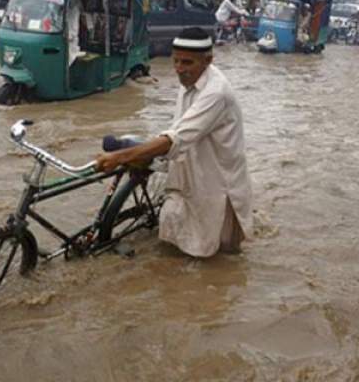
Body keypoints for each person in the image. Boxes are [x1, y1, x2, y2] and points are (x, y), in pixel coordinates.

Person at [96, 27, 252, 257]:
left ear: (208, 60)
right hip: (189, 159)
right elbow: (179, 127)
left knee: (216, 246)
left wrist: (119, 157)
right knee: (182, 229)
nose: (179, 69)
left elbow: (178, 137)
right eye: (176, 61)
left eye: (187, 63)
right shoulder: (190, 80)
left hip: (216, 174)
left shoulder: (216, 92)